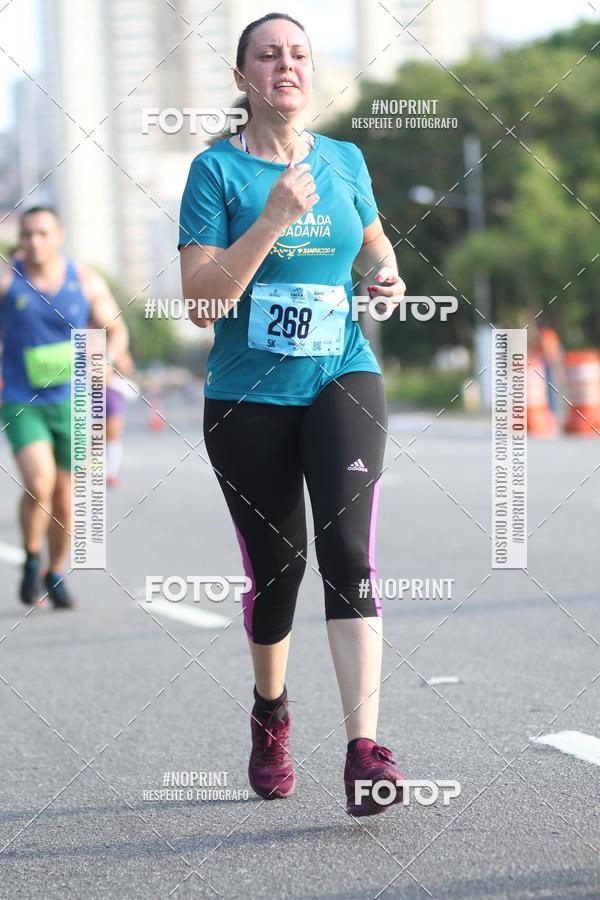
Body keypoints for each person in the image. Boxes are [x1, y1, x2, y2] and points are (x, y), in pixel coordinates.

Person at [178, 13, 407, 817]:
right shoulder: (215, 174)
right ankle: (271, 713)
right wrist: (272, 217)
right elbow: (202, 302)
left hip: (342, 372)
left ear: (314, 72)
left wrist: (386, 276)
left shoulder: (346, 160)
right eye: (268, 56)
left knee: (349, 552)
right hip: (247, 397)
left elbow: (376, 246)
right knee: (279, 576)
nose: (287, 65)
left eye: (299, 54)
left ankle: (362, 749)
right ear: (243, 78)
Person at [0, 206, 128, 608]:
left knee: (66, 498)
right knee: (39, 483)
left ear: (59, 236)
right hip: (22, 399)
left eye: (42, 233)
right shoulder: (7, 280)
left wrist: (108, 359)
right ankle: (32, 557)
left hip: (76, 401)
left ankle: (55, 573)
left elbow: (116, 328)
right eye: (28, 235)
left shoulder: (85, 280)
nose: (34, 242)